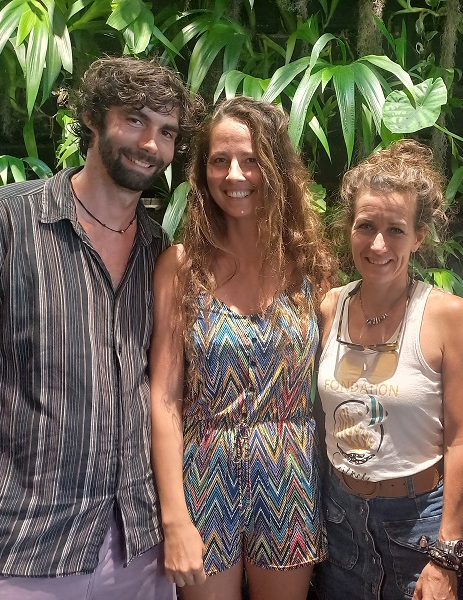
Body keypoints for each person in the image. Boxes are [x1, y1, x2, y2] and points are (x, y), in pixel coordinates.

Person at [0, 56, 201, 599]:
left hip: (139, 553)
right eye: (134, 120)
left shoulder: (162, 257)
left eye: (166, 131)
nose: (151, 144)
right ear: (94, 120)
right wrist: (1, 464)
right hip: (19, 551)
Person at [149, 96, 335, 600]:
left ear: (275, 167)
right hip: (204, 472)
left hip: (289, 467)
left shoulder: (309, 265)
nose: (235, 174)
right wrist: (174, 519)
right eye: (219, 160)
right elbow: (164, 399)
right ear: (202, 171)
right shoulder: (181, 267)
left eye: (251, 159)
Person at [314, 139, 463, 600]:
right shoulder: (329, 306)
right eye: (366, 226)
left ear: (419, 237)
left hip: (418, 524)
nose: (378, 244)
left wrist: (447, 553)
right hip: (339, 517)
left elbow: (462, 439)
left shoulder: (447, 316)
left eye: (396, 230)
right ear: (349, 229)